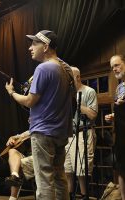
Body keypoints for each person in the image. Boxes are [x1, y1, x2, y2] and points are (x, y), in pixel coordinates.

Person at [5, 30, 74, 200]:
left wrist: (11, 93)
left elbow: (29, 101)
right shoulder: (66, 68)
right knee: (59, 178)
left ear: (45, 46)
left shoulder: (43, 68)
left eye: (34, 43)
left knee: (44, 180)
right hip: (61, 132)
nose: (30, 48)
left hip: (43, 133)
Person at [64, 67, 98, 199]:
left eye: (69, 77)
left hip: (84, 132)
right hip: (68, 134)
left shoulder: (89, 91)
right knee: (67, 169)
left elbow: (93, 114)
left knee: (81, 170)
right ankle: (69, 196)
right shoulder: (65, 93)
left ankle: (84, 196)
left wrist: (76, 103)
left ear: (77, 77)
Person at [105, 55, 125, 200]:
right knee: (122, 169)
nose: (114, 69)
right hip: (121, 136)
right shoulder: (119, 87)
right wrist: (113, 115)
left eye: (117, 65)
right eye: (112, 67)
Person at [4, 131, 34, 200]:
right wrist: (11, 139)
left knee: (19, 164)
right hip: (29, 159)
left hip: (41, 158)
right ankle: (15, 176)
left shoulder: (45, 127)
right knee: (12, 151)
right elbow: (18, 136)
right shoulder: (31, 130)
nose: (29, 120)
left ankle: (13, 197)